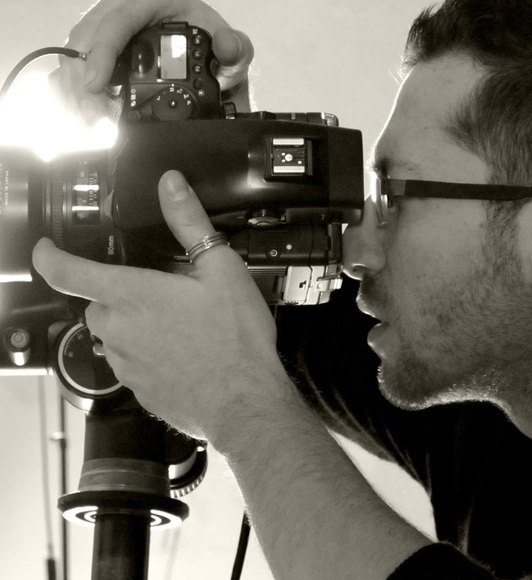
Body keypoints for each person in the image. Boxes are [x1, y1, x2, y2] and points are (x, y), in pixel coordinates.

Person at [32, 0, 532, 577]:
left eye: (395, 196)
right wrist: (211, 157)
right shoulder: (482, 426)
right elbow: (254, 324)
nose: (355, 251)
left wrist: (239, 405)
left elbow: (244, 373)